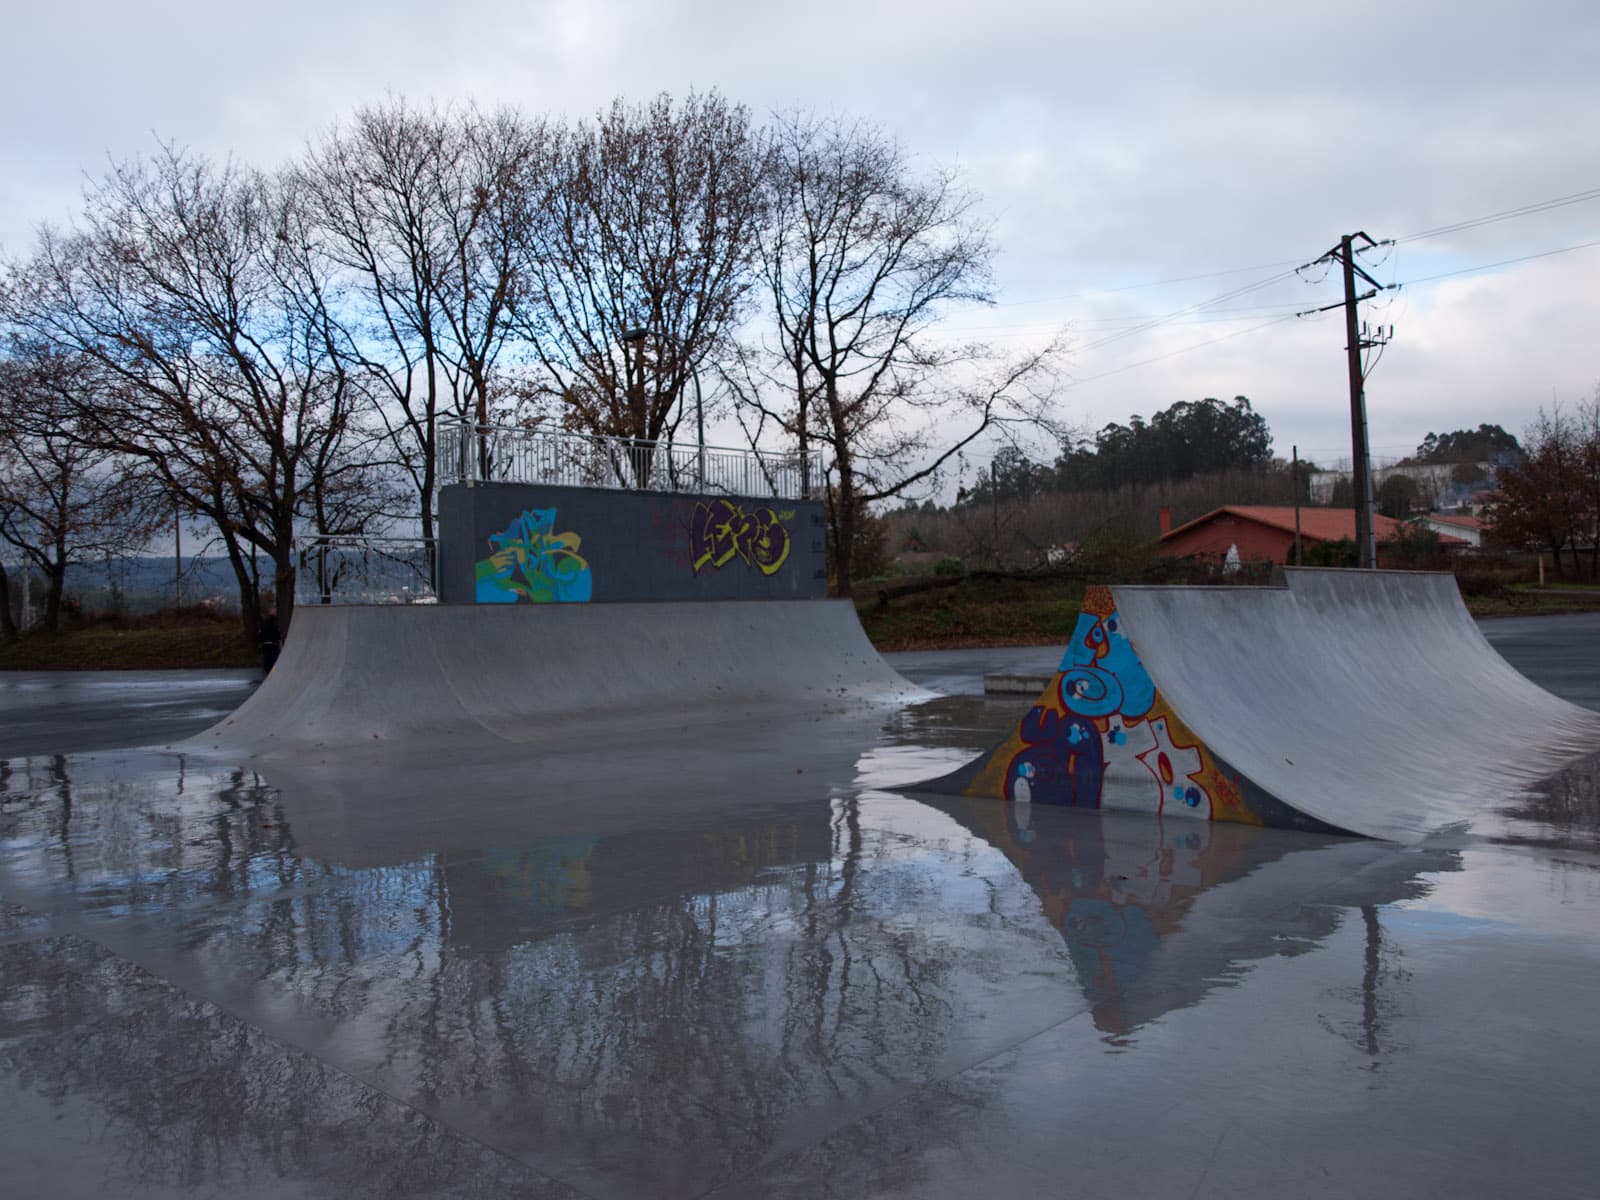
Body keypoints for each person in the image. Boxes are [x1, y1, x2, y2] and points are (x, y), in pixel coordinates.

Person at [259, 608, 281, 673]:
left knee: (267, 658)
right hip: (272, 644)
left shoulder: (263, 625)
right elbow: (277, 635)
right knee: (272, 658)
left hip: (265, 644)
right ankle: (272, 670)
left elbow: (260, 635)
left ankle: (267, 670)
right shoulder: (274, 625)